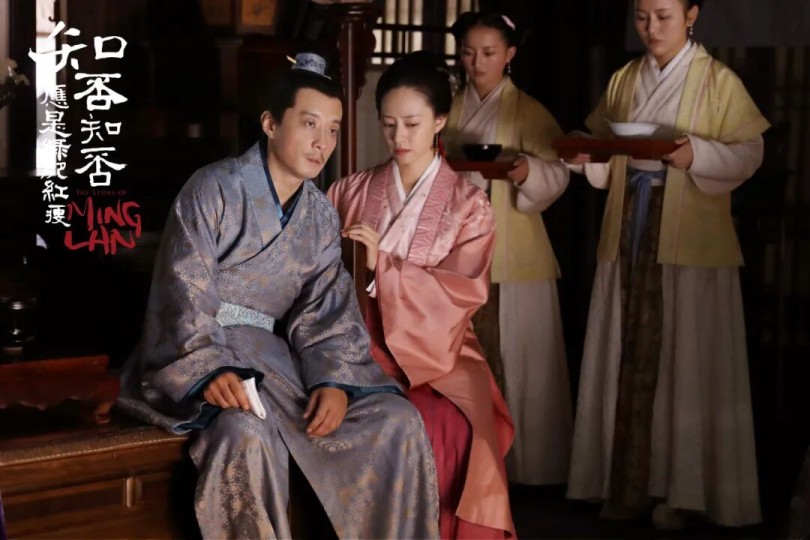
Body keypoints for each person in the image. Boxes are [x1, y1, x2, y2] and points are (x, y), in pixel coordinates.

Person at [117, 52, 440, 540]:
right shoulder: (213, 189)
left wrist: (335, 380)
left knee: (397, 421)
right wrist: (210, 369)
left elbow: (327, 311)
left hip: (276, 365)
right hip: (204, 359)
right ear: (270, 123)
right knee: (245, 433)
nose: (322, 142)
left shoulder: (320, 216)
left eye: (333, 129)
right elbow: (182, 290)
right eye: (309, 124)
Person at [564, 0, 770, 529]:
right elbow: (602, 144)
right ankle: (623, 482)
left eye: (664, 16)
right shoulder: (625, 79)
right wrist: (584, 153)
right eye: (642, 17)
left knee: (685, 354)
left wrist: (697, 154)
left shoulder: (717, 80)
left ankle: (682, 490)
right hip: (630, 221)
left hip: (689, 233)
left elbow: (750, 152)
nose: (651, 28)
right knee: (624, 345)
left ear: (691, 14)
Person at [328, 51, 516, 539]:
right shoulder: (349, 191)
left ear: (439, 120)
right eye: (388, 124)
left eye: (412, 124)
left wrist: (384, 268)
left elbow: (462, 293)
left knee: (447, 425)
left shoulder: (469, 206)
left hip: (441, 354)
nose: (399, 137)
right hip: (356, 345)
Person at [442, 11, 573, 487]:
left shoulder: (529, 112)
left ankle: (527, 467)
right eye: (468, 53)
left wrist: (528, 171)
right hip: (458, 248)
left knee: (523, 356)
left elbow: (559, 171)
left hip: (515, 245)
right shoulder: (448, 108)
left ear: (510, 55)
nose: (477, 63)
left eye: (489, 53)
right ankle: (467, 463)